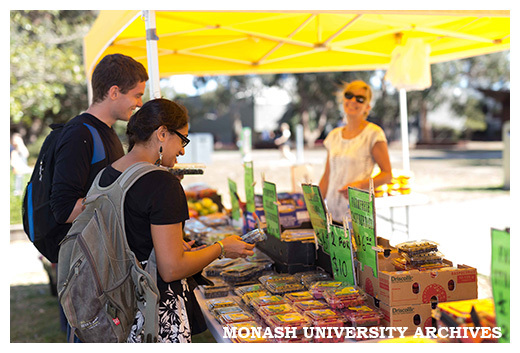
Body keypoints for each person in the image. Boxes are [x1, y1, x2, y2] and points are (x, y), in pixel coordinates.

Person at [99, 98, 254, 342]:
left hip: (115, 305)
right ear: (162, 133)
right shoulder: (162, 183)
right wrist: (222, 248)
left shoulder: (107, 174)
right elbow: (171, 268)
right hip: (152, 313)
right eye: (182, 139)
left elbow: (128, 234)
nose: (182, 150)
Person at [49, 53, 148, 340]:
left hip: (103, 268)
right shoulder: (80, 134)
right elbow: (64, 209)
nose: (140, 103)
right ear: (114, 92)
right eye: (137, 94)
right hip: (87, 272)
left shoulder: (106, 133)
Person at [319, 80, 392, 223]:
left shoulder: (373, 134)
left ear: (367, 107)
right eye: (349, 95)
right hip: (332, 215)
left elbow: (387, 175)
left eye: (360, 99)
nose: (353, 101)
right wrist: (315, 207)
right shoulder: (333, 136)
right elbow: (327, 176)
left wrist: (359, 185)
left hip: (358, 217)